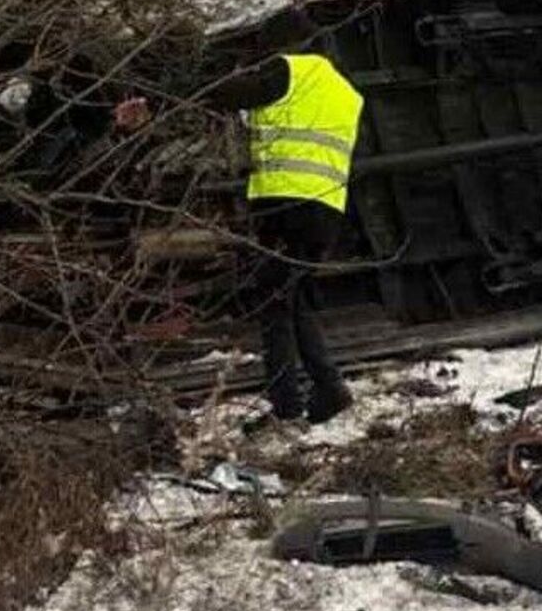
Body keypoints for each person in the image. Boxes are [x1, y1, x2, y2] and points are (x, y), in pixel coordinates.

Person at [115, 35, 364, 426]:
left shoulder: (293, 69)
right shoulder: (344, 90)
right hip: (324, 208)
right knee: (290, 300)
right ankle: (328, 389)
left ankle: (287, 406)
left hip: (287, 205)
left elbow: (230, 93)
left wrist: (155, 100)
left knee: (273, 304)